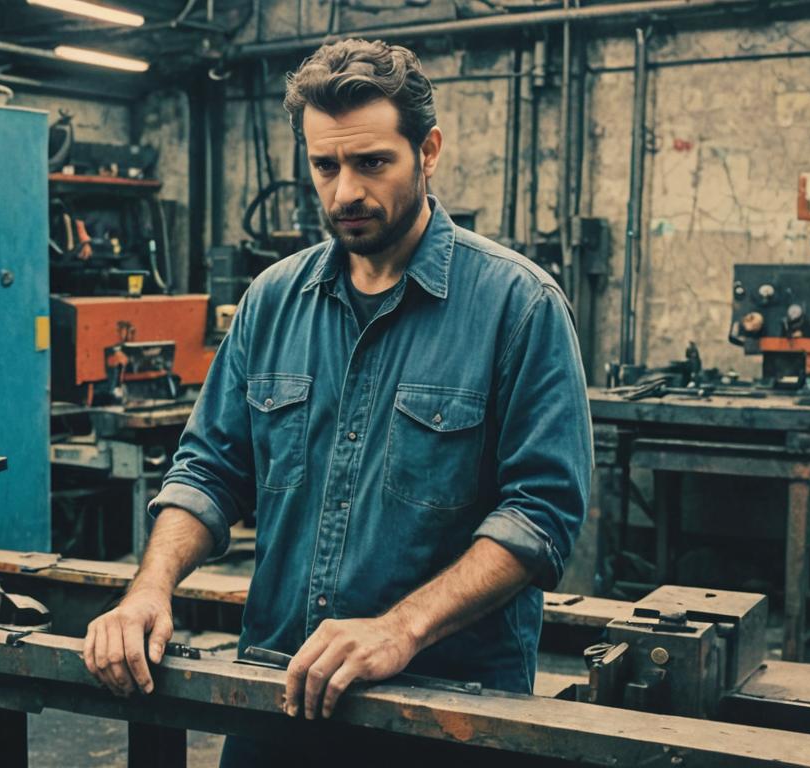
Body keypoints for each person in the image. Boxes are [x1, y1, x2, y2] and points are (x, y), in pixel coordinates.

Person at [84, 38, 593, 766]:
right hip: (278, 696)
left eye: (372, 163)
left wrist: (401, 628)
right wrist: (148, 590)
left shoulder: (518, 306)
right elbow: (208, 471)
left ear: (429, 151)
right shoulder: (272, 301)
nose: (345, 192)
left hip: (445, 713)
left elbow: (541, 515)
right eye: (325, 165)